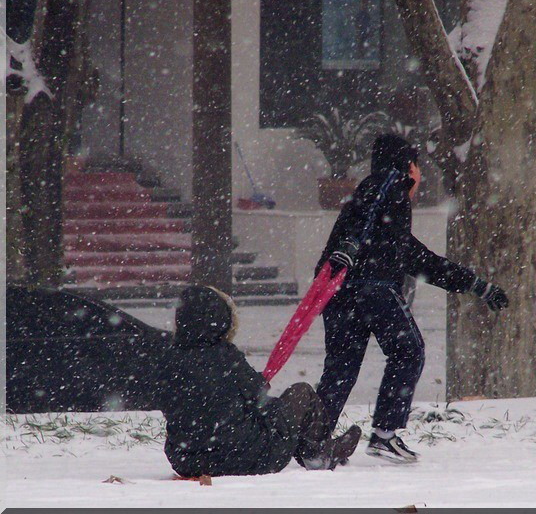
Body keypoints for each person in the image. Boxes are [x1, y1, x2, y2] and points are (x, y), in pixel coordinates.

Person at [315, 134, 509, 463]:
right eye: (417, 168)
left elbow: (422, 261)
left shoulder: (382, 215)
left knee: (341, 368)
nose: (419, 176)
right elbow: (375, 199)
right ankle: (385, 435)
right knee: (409, 350)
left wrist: (478, 286)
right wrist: (395, 178)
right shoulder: (388, 188)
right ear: (408, 166)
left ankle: (313, 442)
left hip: (338, 291)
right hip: (372, 287)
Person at [158, 285, 361, 477]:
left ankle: (312, 451)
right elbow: (258, 396)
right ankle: (318, 454)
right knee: (301, 393)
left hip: (187, 461)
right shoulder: (227, 357)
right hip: (245, 458)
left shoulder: (169, 360)